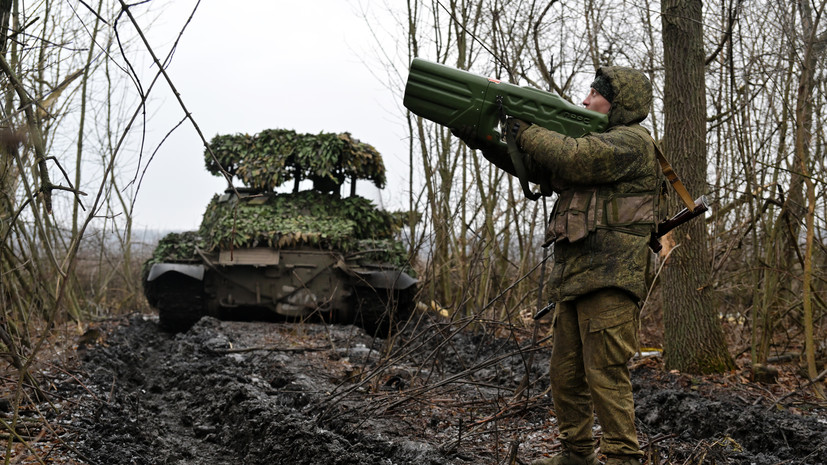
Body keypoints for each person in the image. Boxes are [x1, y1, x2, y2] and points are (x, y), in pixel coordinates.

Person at [454, 66, 660, 465]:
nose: (585, 100)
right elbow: (538, 167)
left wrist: (523, 127)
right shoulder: (597, 141)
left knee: (605, 374)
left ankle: (622, 457)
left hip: (612, 277)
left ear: (618, 104)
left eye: (594, 94)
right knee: (565, 375)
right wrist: (484, 140)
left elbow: (573, 158)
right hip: (577, 276)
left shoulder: (632, 143)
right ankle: (576, 454)